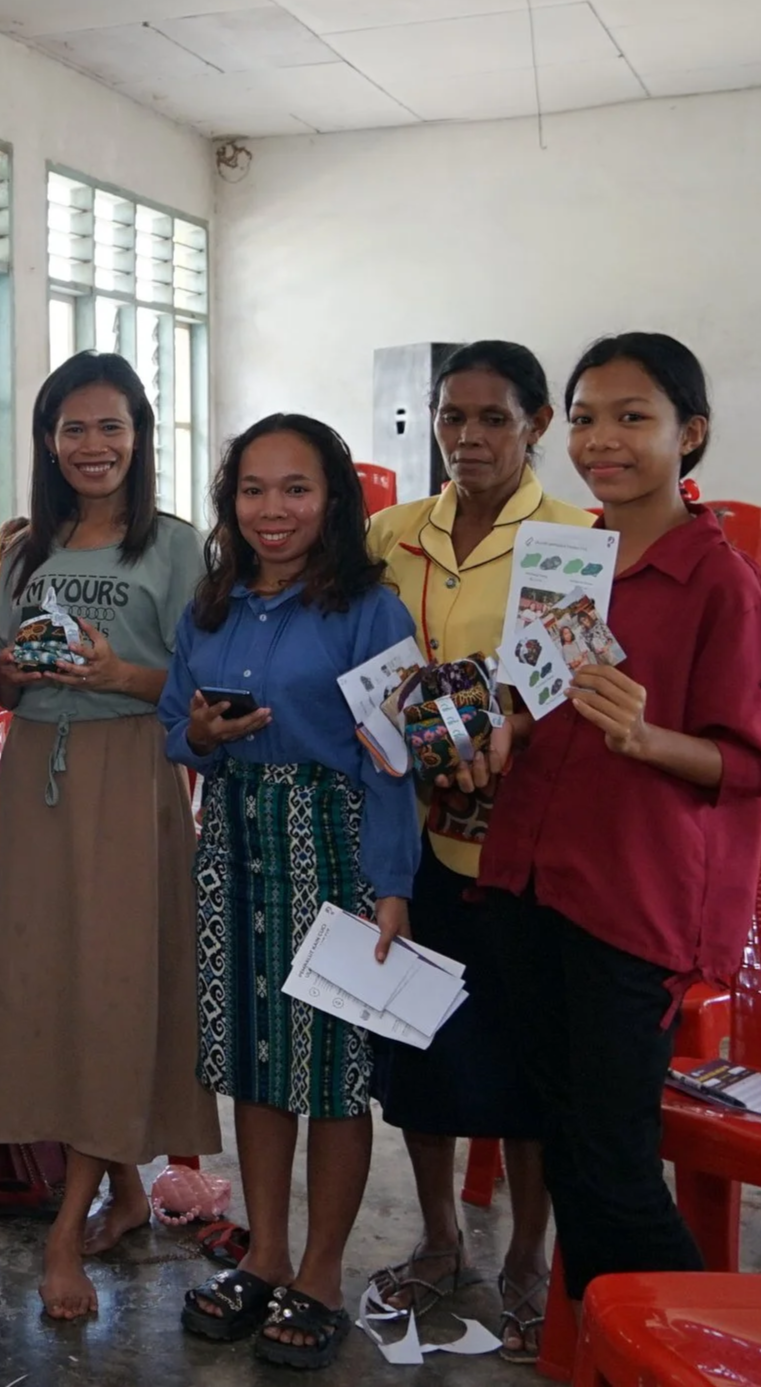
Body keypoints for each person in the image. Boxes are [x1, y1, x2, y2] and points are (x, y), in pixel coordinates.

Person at [481, 333, 761, 1311]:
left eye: (631, 417)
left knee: (610, 1165)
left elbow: (745, 760)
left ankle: (690, 1349)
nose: (602, 439)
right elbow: (530, 700)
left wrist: (646, 736)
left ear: (689, 434)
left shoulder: (717, 582)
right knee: (564, 1141)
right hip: (531, 877)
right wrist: (488, 729)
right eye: (588, 417)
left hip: (629, 904)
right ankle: (612, 1346)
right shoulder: (564, 560)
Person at [162, 413, 419, 1370]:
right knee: (258, 1063)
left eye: (296, 488)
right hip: (233, 842)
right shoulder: (214, 602)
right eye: (254, 489)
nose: (273, 509)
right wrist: (203, 735)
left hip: (336, 847)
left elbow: (397, 759)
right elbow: (172, 725)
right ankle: (264, 1255)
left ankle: (319, 1273)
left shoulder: (370, 609)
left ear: (334, 498)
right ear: (231, 501)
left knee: (335, 1074)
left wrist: (392, 883)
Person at [363, 341, 594, 1359]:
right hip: (410, 840)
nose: (465, 438)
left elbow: (568, 683)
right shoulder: (388, 533)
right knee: (416, 1048)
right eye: (449, 417)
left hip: (520, 846)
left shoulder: (573, 539)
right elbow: (363, 658)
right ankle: (440, 1237)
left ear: (535, 422)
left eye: (490, 418)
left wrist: (507, 736)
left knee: (523, 1066)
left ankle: (525, 1261)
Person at [0, 352, 221, 1320]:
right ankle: (121, 1191)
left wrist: (111, 671)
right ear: (47, 439)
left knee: (116, 986)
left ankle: (62, 1227)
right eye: (71, 428)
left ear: (138, 435)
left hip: (129, 773)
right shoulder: (21, 548)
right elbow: (0, 683)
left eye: (109, 427)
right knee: (46, 978)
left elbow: (199, 691)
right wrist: (10, 668)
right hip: (35, 772)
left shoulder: (173, 545)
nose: (92, 446)